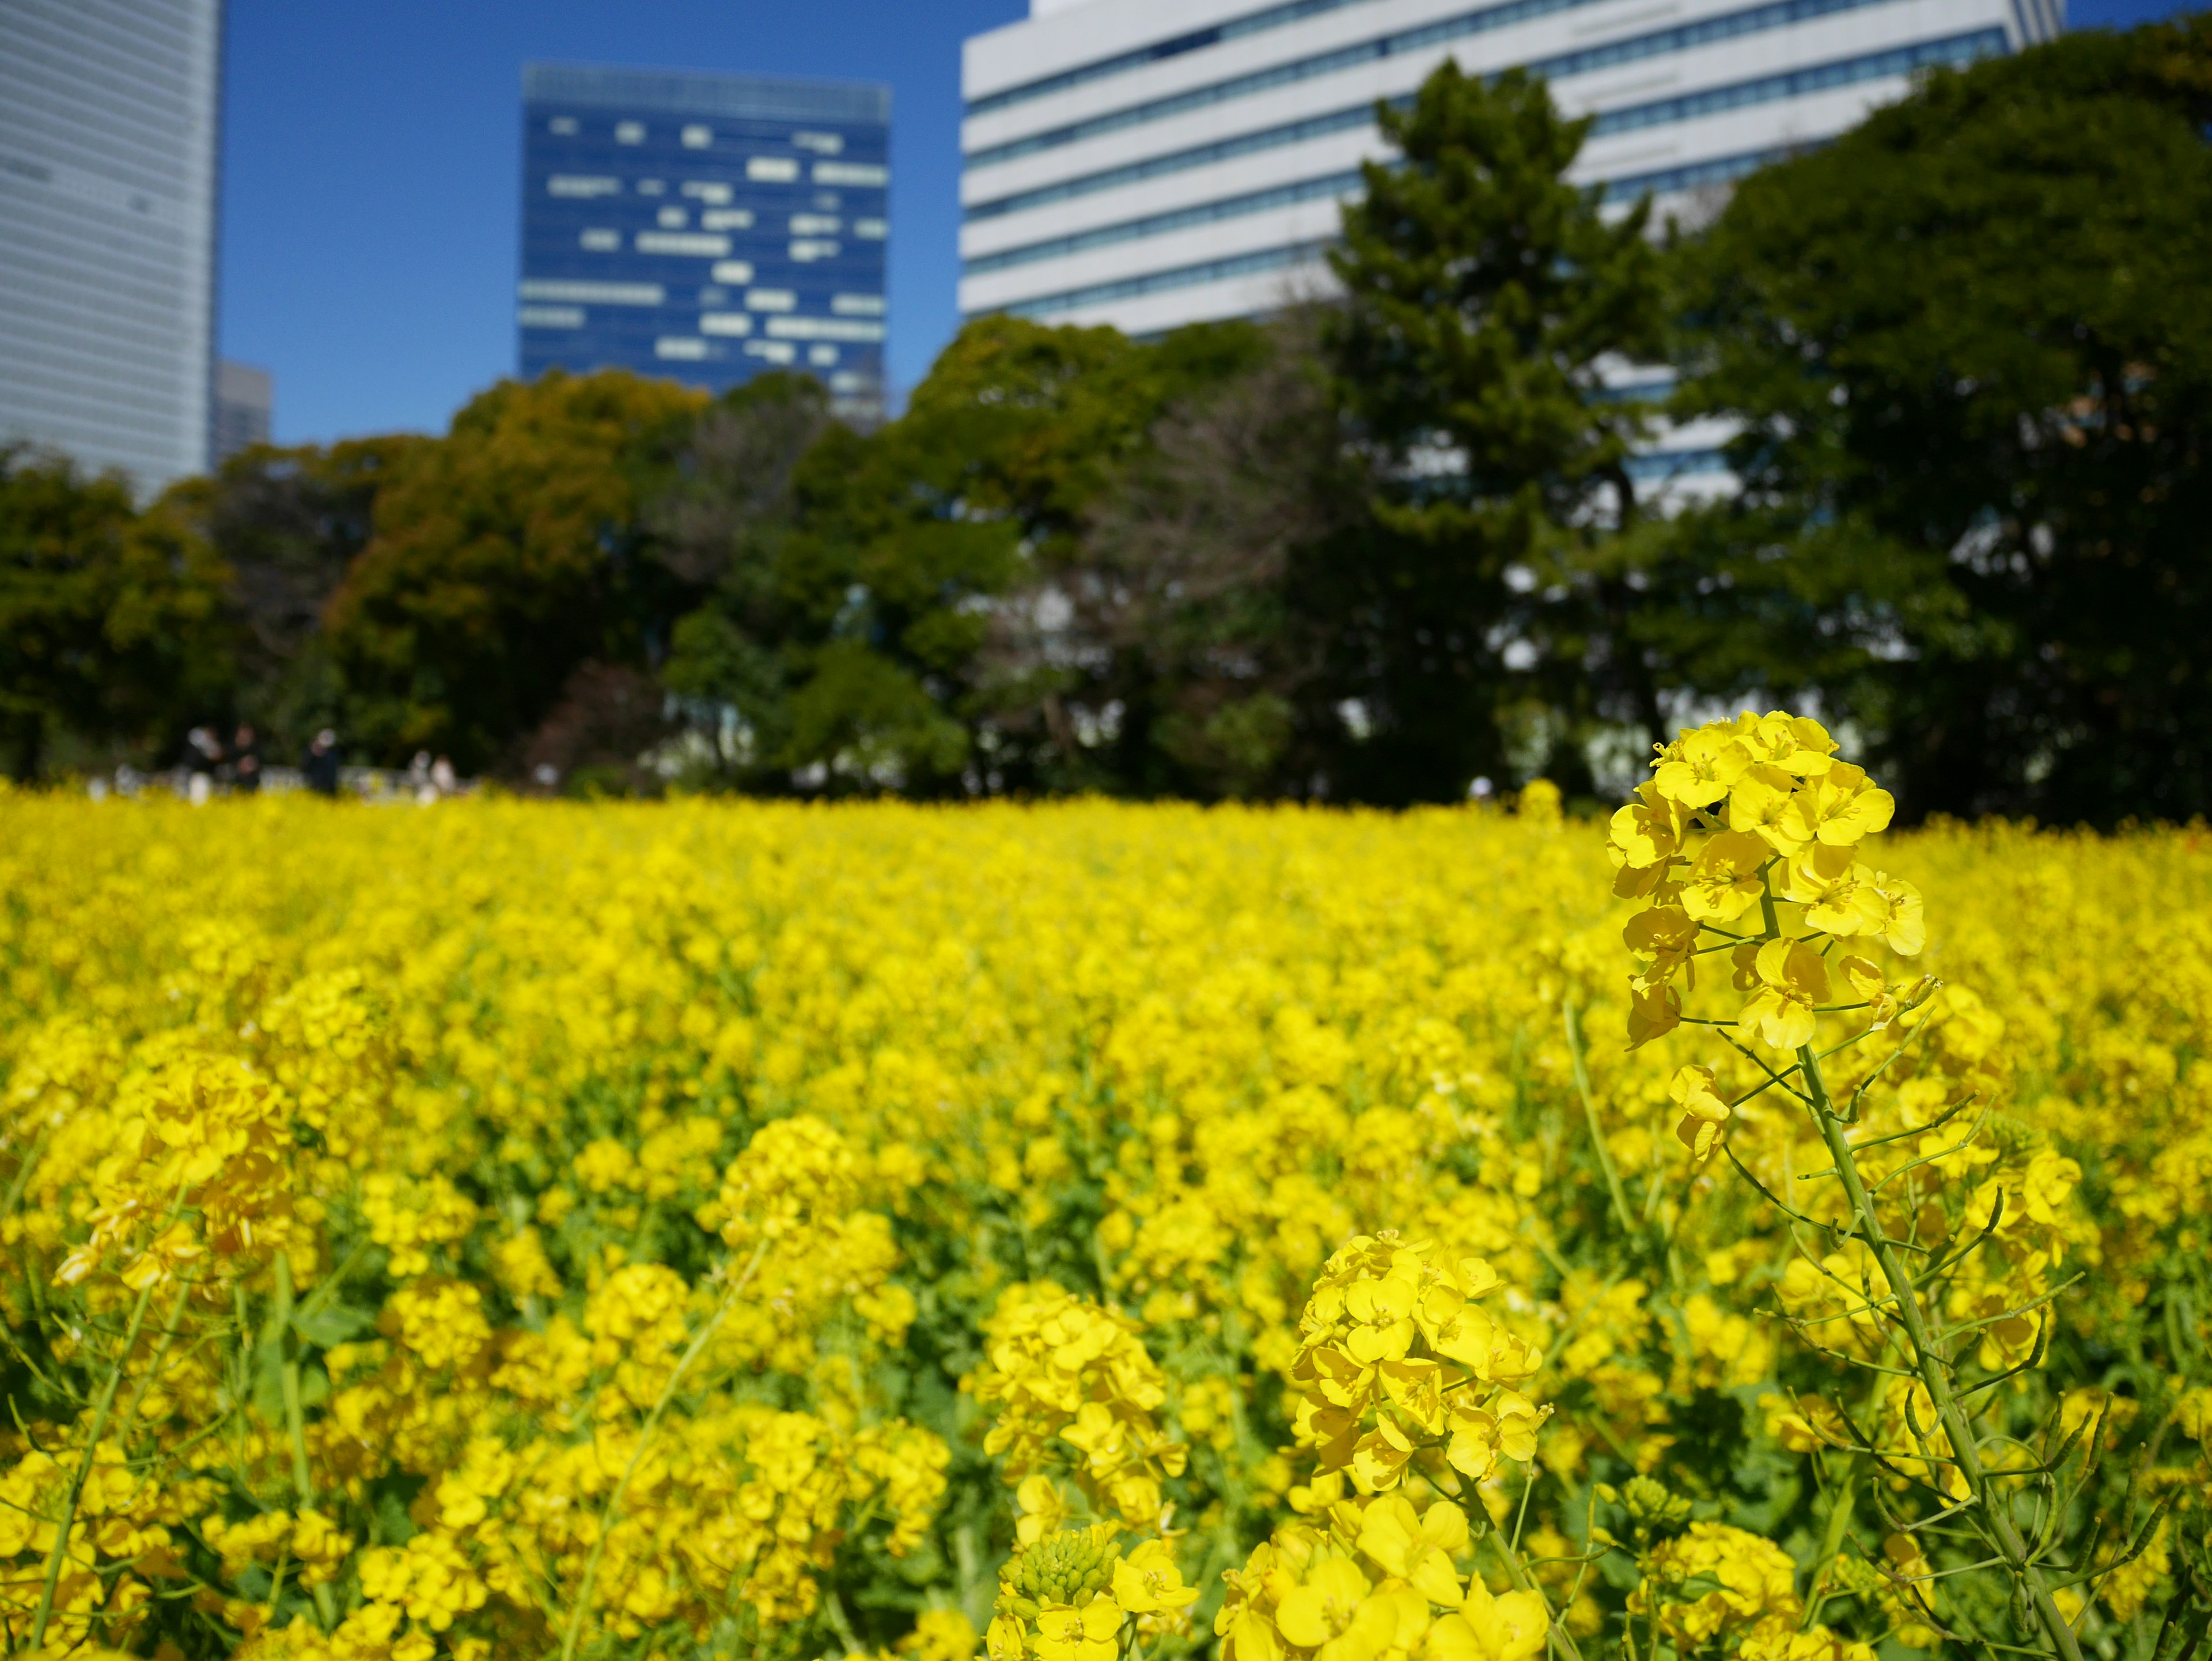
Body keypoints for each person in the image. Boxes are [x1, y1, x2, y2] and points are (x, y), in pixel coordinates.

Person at [302, 728, 342, 797]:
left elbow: (334, 771)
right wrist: (314, 753)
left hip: (330, 789)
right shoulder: (311, 753)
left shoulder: (333, 753)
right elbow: (304, 767)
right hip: (315, 787)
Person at [231, 723, 263, 794]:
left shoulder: (256, 749)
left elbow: (258, 764)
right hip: (236, 781)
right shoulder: (232, 749)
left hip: (252, 782)